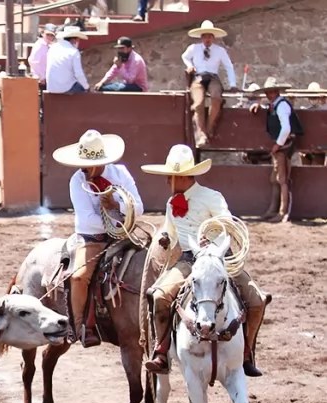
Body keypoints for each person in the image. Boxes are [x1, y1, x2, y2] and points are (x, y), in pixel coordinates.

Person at [141, 144, 268, 377]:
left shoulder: (211, 197)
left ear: (181, 176)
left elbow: (227, 225)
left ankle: (247, 352)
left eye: (170, 176)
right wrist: (165, 238)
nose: (167, 180)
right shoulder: (171, 204)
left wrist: (213, 244)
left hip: (219, 258)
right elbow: (171, 231)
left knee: (256, 300)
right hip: (189, 259)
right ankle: (162, 350)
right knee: (159, 296)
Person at [52, 129, 144, 347]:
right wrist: (117, 220)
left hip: (124, 234)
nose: (83, 169)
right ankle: (79, 325)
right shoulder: (77, 181)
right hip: (92, 238)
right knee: (79, 276)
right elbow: (87, 219)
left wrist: (116, 206)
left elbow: (138, 207)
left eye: (87, 165)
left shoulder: (120, 174)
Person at [249, 77, 302, 223]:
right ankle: (274, 210)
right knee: (276, 178)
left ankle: (283, 212)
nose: (269, 94)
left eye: (271, 91)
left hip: (284, 146)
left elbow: (286, 128)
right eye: (268, 92)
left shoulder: (281, 106)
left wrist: (277, 145)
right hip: (283, 145)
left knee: (282, 179)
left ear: (277, 91)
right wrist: (258, 105)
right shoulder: (276, 105)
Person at [181, 20, 238, 148]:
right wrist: (190, 66)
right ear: (201, 37)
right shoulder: (194, 48)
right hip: (198, 77)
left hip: (212, 77)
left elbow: (228, 66)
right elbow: (184, 57)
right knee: (198, 103)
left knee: (216, 98)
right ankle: (201, 134)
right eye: (205, 36)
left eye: (210, 36)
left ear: (213, 37)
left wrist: (232, 84)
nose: (207, 39)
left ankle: (208, 128)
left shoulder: (220, 51)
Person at [45, 26, 89, 94]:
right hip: (66, 88)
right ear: (75, 40)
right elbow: (79, 74)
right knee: (82, 87)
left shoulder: (52, 48)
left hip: (51, 87)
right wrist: (87, 87)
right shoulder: (74, 52)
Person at [298, 82, 327, 167]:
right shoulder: (305, 111)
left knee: (315, 170)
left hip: (319, 148)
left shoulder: (323, 110)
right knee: (307, 171)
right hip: (308, 149)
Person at [27, 23, 56, 88]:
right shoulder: (40, 45)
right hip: (39, 79)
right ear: (42, 33)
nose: (49, 37)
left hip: (45, 78)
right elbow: (33, 61)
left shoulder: (48, 45)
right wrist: (42, 77)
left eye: (52, 35)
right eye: (47, 34)